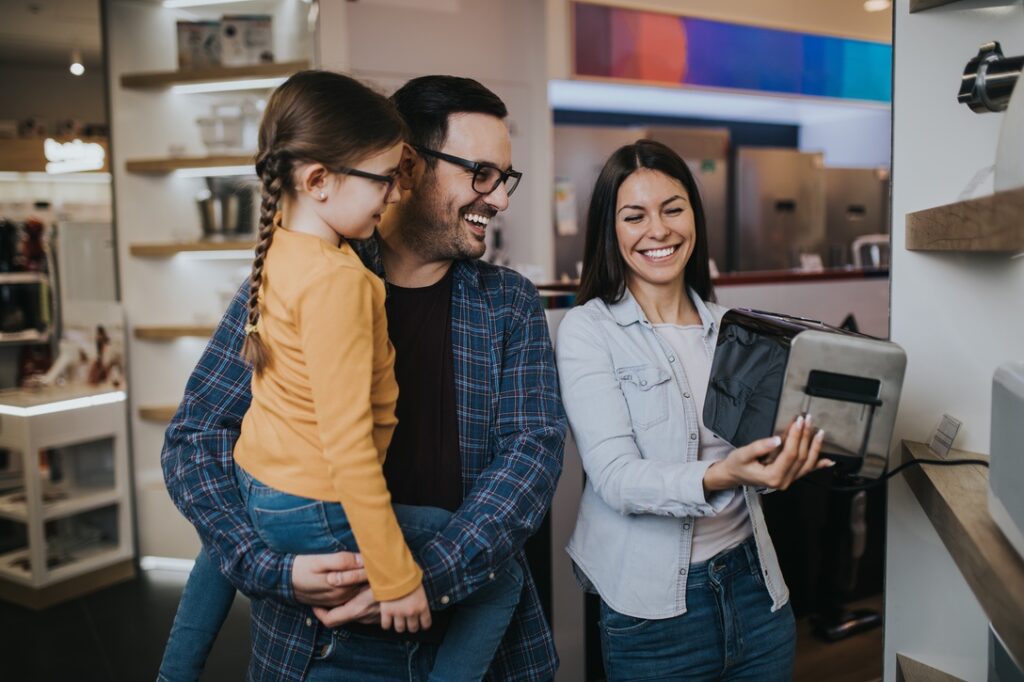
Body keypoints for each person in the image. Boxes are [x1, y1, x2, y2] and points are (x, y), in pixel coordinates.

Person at [160, 74, 565, 681]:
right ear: (408, 165)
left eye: (504, 178)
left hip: (468, 636)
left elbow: (531, 456)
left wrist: (420, 581)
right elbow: (197, 437)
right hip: (311, 643)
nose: (500, 198)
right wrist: (268, 568)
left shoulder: (509, 303)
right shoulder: (310, 280)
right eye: (480, 173)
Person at [556, 140, 833, 681]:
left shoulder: (738, 329)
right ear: (610, 231)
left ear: (694, 218)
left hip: (758, 591)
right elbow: (615, 478)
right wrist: (723, 473)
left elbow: (757, 462)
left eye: (673, 209)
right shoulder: (588, 330)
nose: (658, 231)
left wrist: (784, 465)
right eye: (634, 216)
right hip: (653, 611)